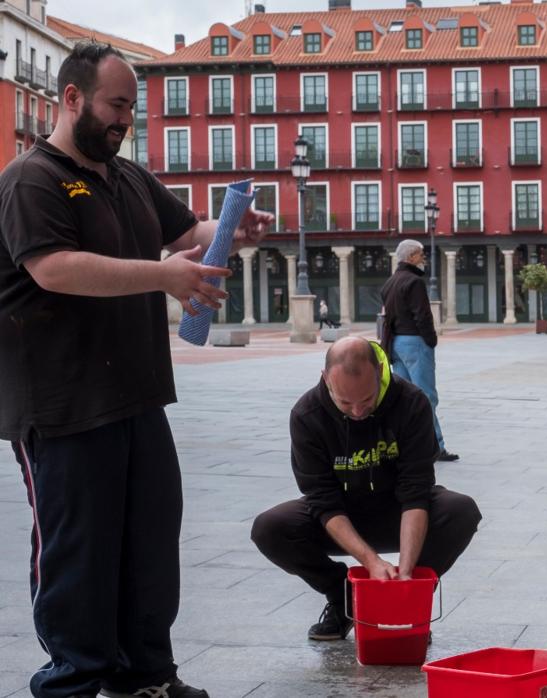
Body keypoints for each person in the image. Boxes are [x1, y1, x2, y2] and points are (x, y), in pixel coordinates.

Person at [0, 43, 272, 698]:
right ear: (72, 98)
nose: (125, 119)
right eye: (116, 105)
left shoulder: (128, 176)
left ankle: (145, 676)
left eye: (132, 107)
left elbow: (185, 234)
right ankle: (71, 681)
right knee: (78, 555)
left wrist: (233, 229)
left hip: (136, 394)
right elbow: (53, 268)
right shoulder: (30, 180)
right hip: (61, 405)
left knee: (150, 545)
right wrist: (165, 278)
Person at [250, 337, 480, 641]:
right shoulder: (307, 415)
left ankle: (411, 598)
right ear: (325, 379)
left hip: (397, 510)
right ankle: (345, 598)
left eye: (367, 400)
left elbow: (415, 492)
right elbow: (323, 500)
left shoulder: (411, 402)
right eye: (346, 403)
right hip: (340, 515)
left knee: (461, 511)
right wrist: (370, 562)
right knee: (270, 528)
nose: (358, 411)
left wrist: (406, 573)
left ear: (380, 371)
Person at [380, 239, 458, 462]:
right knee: (426, 397)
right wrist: (431, 341)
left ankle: (404, 446)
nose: (424, 258)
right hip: (415, 343)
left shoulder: (390, 283)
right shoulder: (414, 282)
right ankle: (435, 447)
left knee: (403, 398)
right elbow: (422, 315)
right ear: (411, 256)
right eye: (421, 254)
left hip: (395, 343)